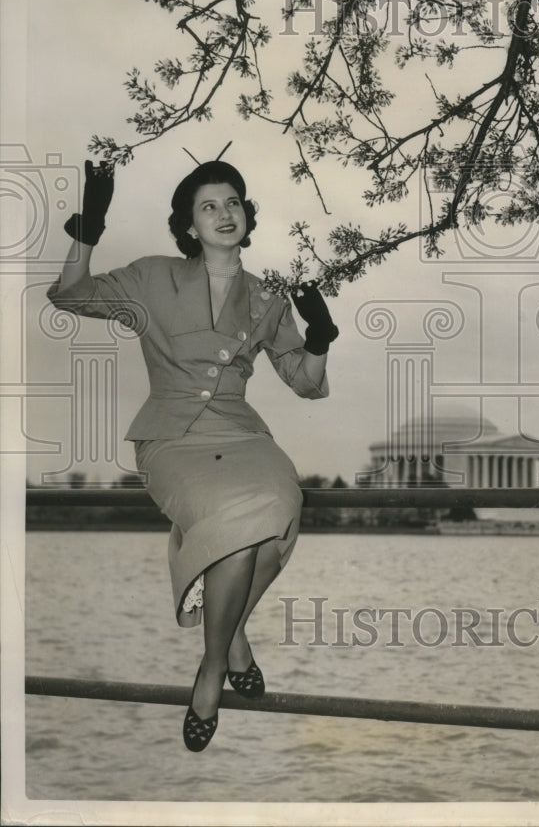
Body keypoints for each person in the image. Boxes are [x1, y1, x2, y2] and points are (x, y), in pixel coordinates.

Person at [47, 157, 339, 751]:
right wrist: (91, 223)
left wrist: (319, 337)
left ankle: (223, 641)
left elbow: (304, 383)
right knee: (242, 525)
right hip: (173, 438)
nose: (223, 214)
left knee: (281, 509)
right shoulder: (152, 278)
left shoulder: (266, 297)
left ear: (246, 214)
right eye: (208, 206)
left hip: (242, 435)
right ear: (189, 224)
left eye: (232, 202)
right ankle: (216, 664)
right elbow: (70, 296)